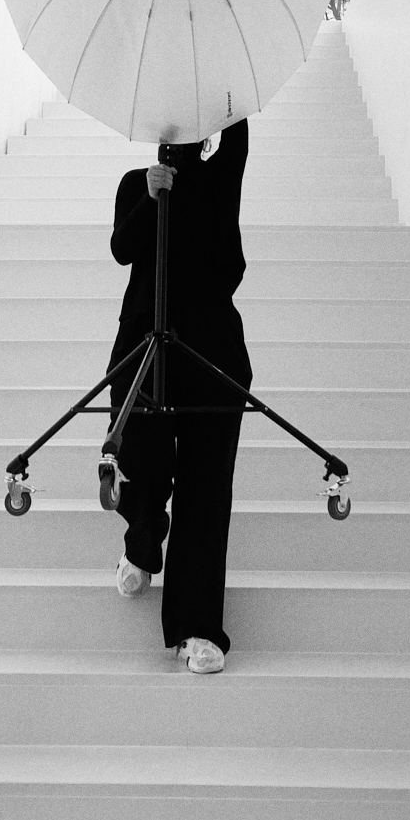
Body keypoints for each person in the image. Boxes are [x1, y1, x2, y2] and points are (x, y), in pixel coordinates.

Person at [106, 117, 250, 675]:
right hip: (144, 341)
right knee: (137, 455)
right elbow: (122, 248)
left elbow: (235, 134)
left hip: (212, 347)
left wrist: (222, 107)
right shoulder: (135, 183)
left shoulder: (220, 177)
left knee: (206, 487)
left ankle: (197, 627)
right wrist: (151, 196)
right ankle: (143, 543)